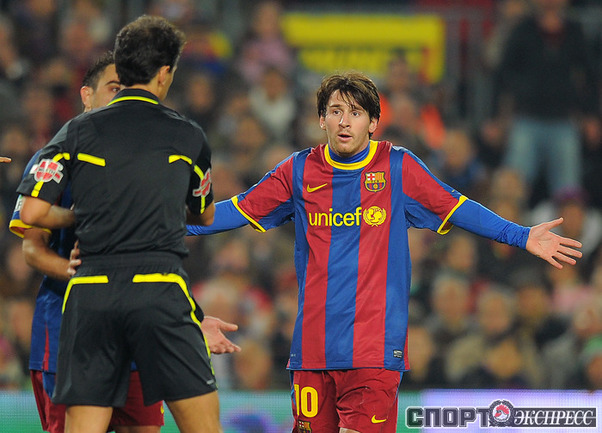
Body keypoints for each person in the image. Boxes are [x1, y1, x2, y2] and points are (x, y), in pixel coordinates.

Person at [186, 71, 582, 433]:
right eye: (335, 111)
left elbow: (458, 207)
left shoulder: (398, 167)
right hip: (312, 351)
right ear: (321, 119)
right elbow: (234, 210)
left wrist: (520, 235)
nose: (345, 121)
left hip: (373, 349)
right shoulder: (298, 171)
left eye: (356, 113)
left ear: (373, 123)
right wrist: (166, 222)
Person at [16, 16, 223, 433]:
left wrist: (86, 215)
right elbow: (204, 214)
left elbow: (32, 214)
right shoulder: (187, 135)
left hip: (91, 292)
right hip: (158, 289)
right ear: (164, 73)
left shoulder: (75, 132)